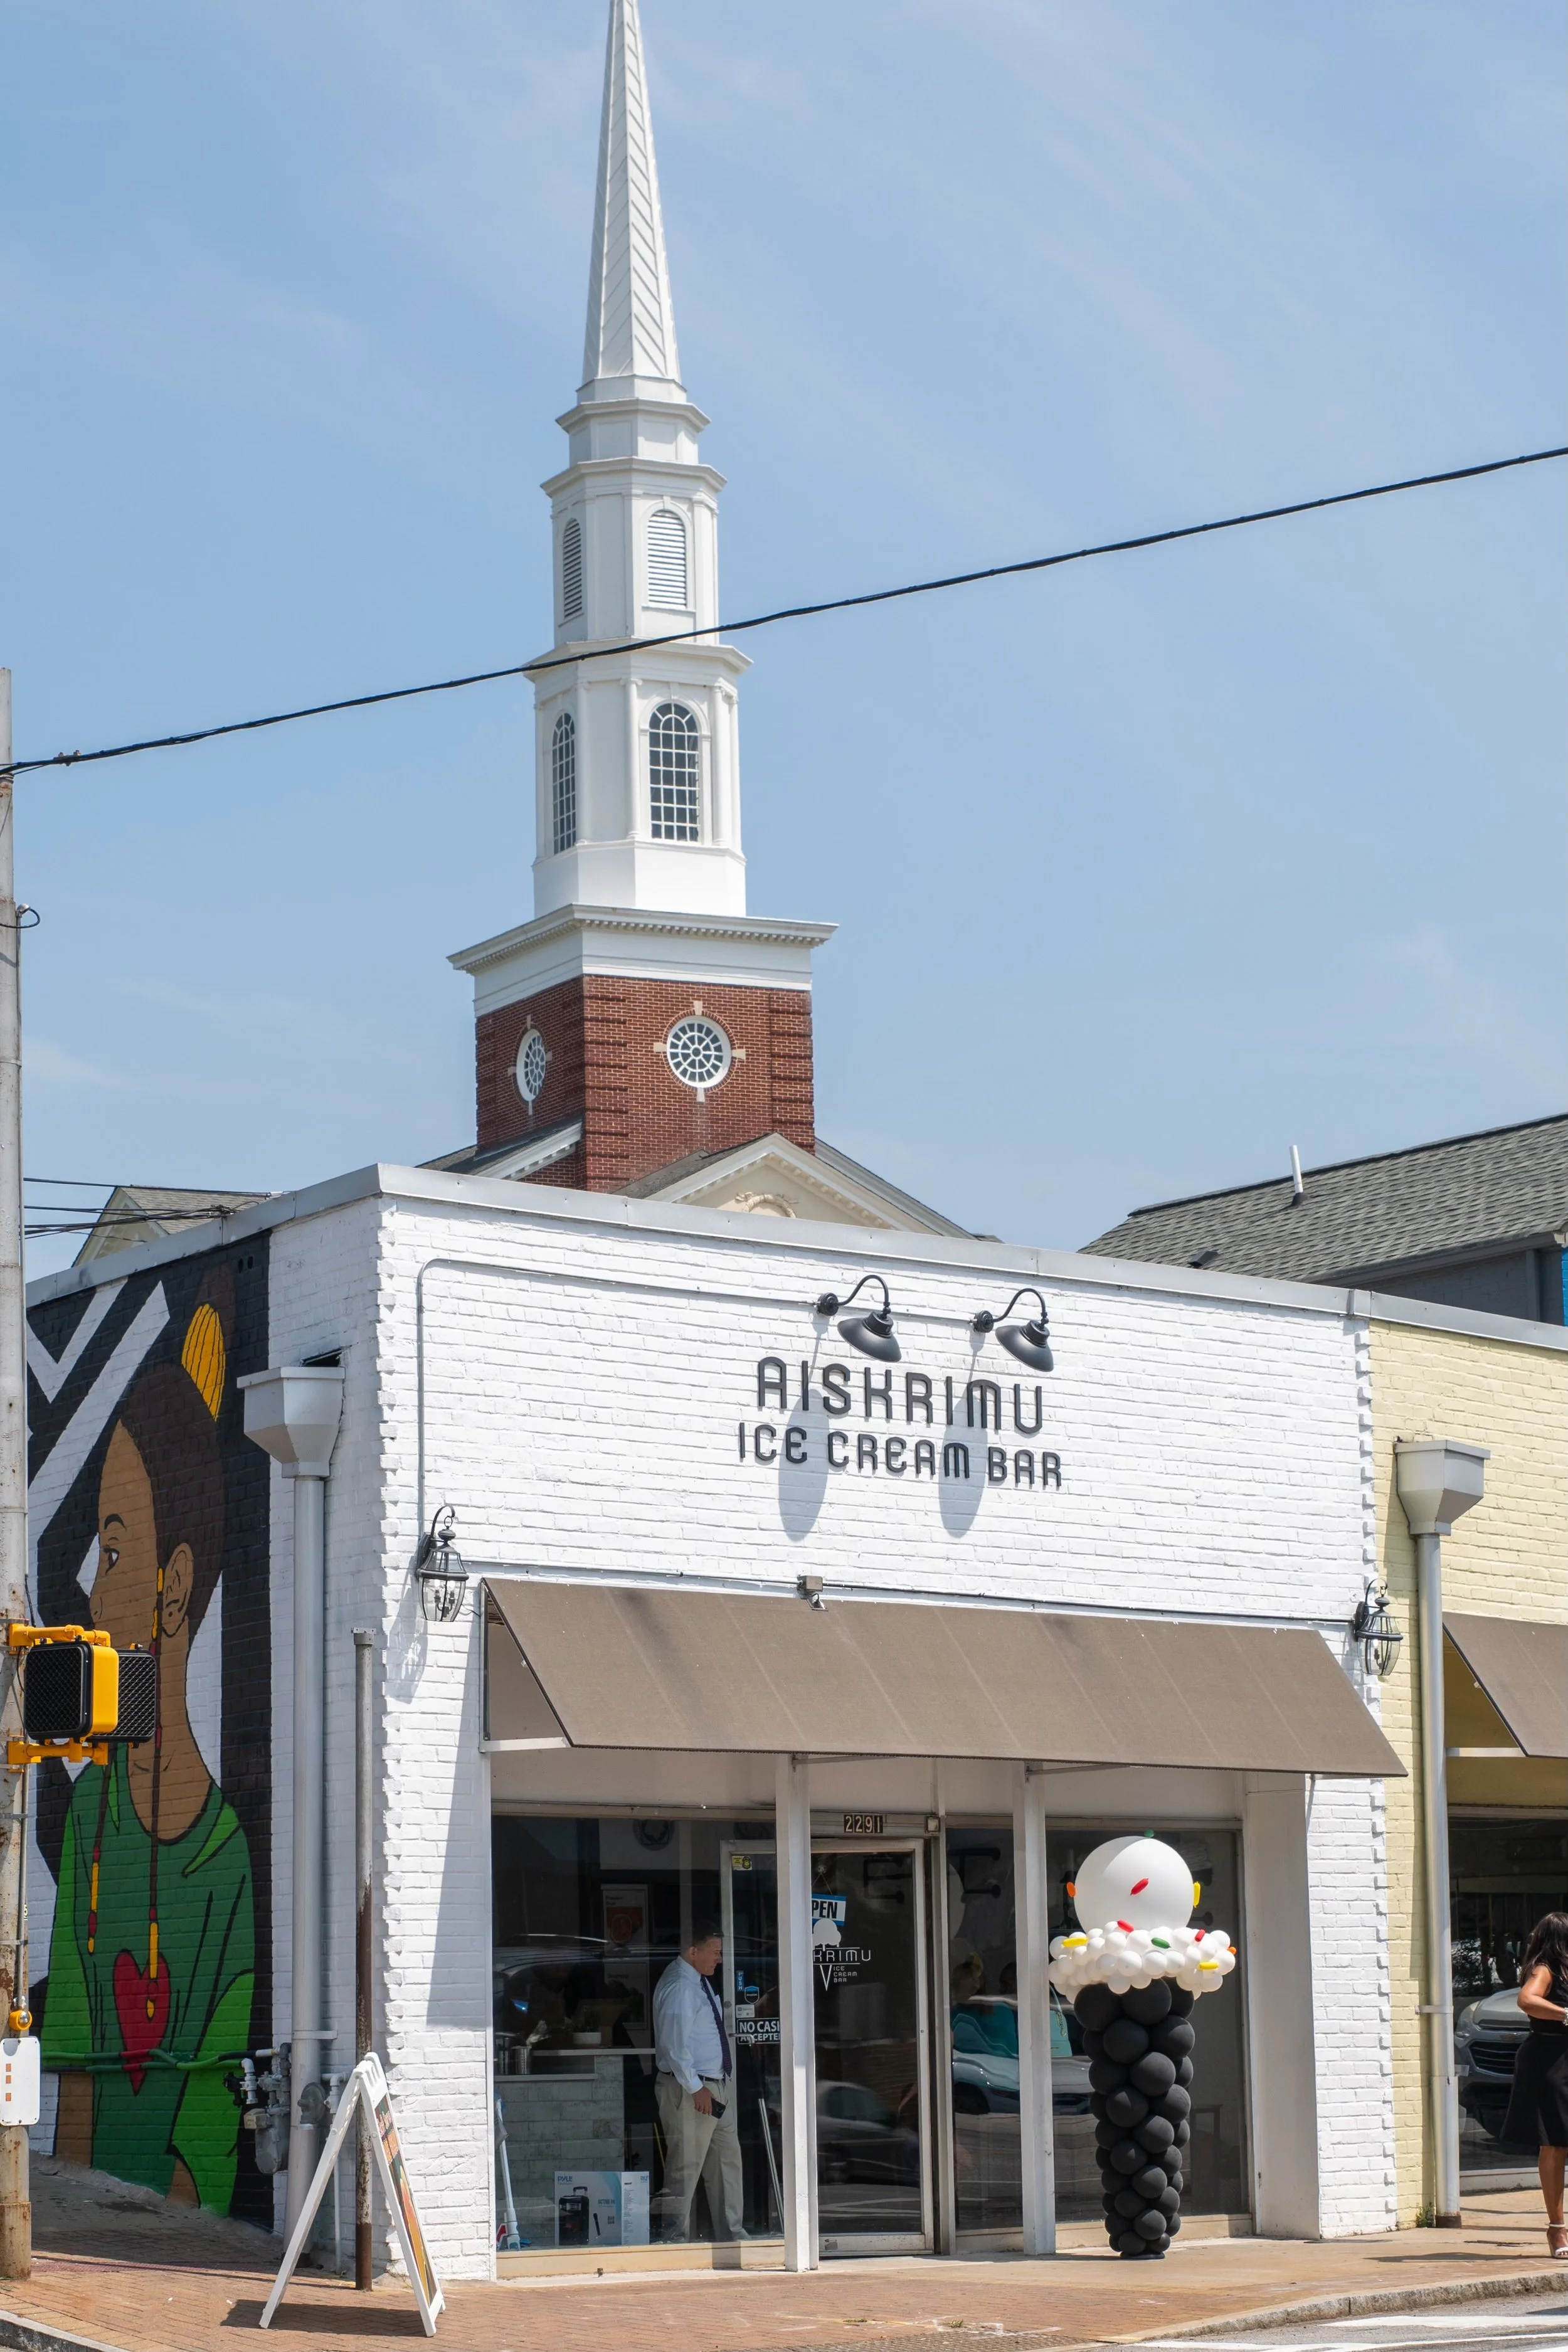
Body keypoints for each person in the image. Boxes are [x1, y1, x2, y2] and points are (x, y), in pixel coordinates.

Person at [44, 1294, 255, 2213]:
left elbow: (201, 2159)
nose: (94, 1587)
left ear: (172, 1587)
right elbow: (77, 2098)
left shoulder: (229, 1867)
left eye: (117, 1554)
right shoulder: (93, 1813)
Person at [652, 1920, 745, 2241]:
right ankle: (673, 2239)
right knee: (685, 2167)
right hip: (693, 2088)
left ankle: (732, 2234)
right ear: (694, 1952)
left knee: (726, 2162)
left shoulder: (698, 1981)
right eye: (715, 1952)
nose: (720, 1959)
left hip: (715, 2085)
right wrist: (696, 2088)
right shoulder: (681, 1986)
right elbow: (673, 2046)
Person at [1501, 1910, 1568, 2259]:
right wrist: (1565, 2013)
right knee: (1555, 2145)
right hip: (1551, 2061)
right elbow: (1527, 2000)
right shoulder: (1546, 1968)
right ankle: (1557, 2229)